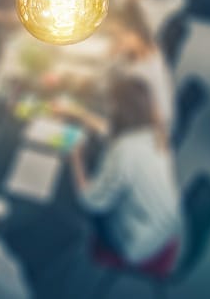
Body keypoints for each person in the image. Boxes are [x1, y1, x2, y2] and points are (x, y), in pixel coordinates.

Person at [66, 77, 183, 266]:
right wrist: (80, 114)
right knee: (103, 169)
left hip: (136, 242)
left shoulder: (124, 151)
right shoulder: (156, 133)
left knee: (70, 199)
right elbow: (111, 132)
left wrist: (75, 158)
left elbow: (90, 201)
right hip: (166, 225)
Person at [108, 2, 174, 134]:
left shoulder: (140, 74)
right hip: (150, 123)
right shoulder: (152, 51)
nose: (115, 42)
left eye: (119, 36)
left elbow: (119, 124)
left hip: (147, 130)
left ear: (135, 33)